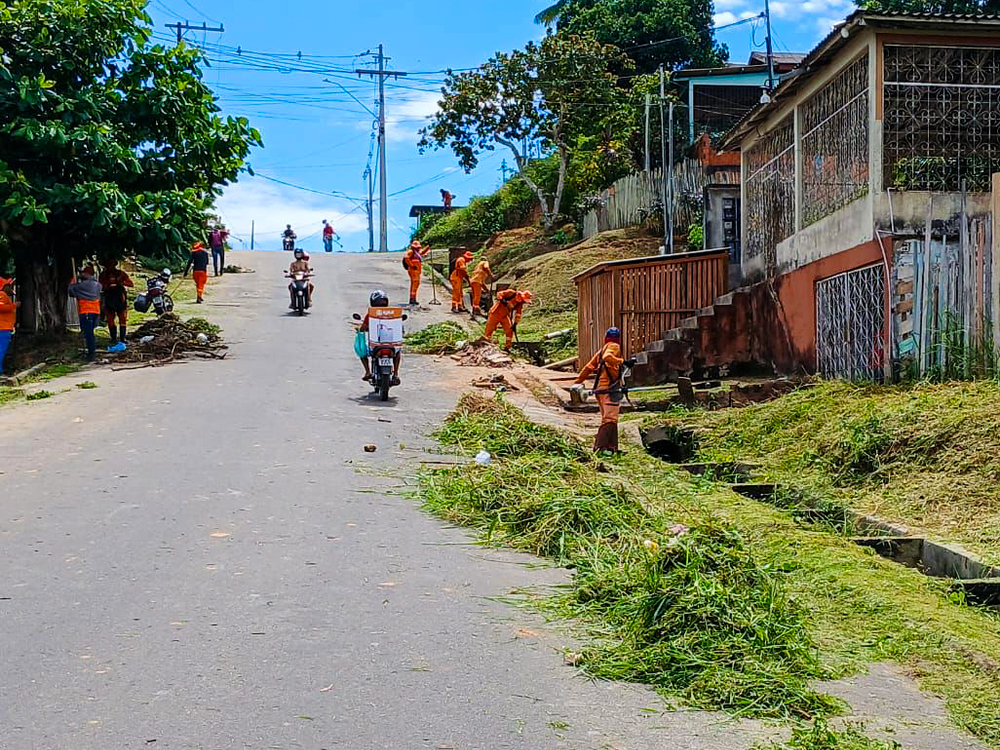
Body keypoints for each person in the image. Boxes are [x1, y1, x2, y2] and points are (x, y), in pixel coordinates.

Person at [573, 327, 634, 454]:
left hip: (600, 389)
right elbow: (608, 357)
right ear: (618, 338)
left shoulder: (602, 349)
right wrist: (623, 361)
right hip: (609, 389)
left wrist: (578, 382)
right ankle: (600, 448)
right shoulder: (614, 347)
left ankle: (612, 448)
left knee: (609, 418)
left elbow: (589, 367)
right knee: (610, 418)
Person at [356, 289, 400, 385]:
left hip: (375, 345)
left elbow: (363, 328)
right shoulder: (392, 313)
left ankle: (368, 372)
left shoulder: (371, 314)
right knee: (398, 352)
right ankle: (396, 373)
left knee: (362, 352)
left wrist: (360, 330)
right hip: (391, 345)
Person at [68, 266, 102, 361]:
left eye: (83, 273)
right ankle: (91, 351)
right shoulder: (98, 285)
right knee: (90, 332)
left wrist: (72, 282)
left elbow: (71, 292)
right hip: (96, 311)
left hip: (86, 311)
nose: (81, 275)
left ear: (87, 274)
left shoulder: (83, 285)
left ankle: (91, 354)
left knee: (88, 334)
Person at [98, 259, 134, 349]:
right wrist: (107, 285)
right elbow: (100, 285)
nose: (109, 266)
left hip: (120, 299)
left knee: (122, 318)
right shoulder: (103, 275)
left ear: (114, 265)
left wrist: (121, 283)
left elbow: (131, 284)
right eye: (107, 265)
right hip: (108, 298)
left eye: (111, 264)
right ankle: (113, 338)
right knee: (110, 319)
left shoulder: (121, 274)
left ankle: (122, 338)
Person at [0, 277, 19, 376]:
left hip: (4, 327)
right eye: (8, 285)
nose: (10, 287)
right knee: (1, 350)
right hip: (3, 328)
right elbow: (1, 307)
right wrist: (14, 306)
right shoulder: (1, 295)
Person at [402, 240, 430, 305]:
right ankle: (412, 299)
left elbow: (422, 252)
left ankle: (413, 298)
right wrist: (412, 265)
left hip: (416, 271)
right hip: (413, 271)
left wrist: (428, 247)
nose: (418, 248)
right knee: (415, 284)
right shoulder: (411, 252)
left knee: (416, 284)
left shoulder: (416, 252)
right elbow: (406, 258)